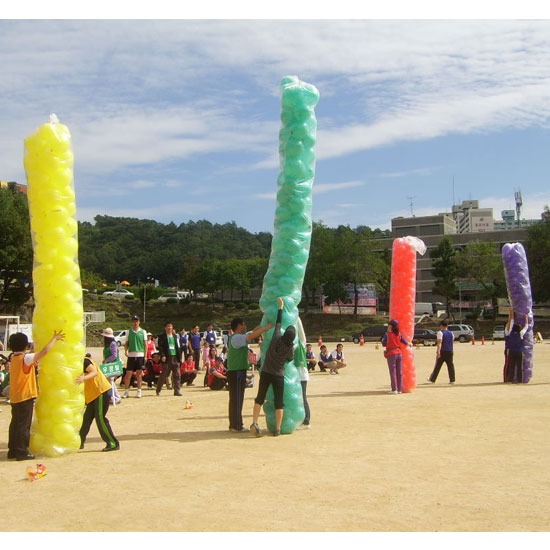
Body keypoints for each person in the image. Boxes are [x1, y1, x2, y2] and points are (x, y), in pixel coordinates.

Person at [7, 330, 65, 461]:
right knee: (23, 425)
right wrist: (54, 338)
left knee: (15, 424)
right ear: (25, 346)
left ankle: (13, 450)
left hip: (15, 397)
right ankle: (22, 451)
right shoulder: (26, 358)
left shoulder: (13, 358)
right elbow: (44, 352)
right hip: (25, 396)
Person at [250, 297, 294, 437]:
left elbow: (278, 322)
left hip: (266, 372)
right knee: (279, 402)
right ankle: (278, 429)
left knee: (260, 397)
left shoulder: (276, 338)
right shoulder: (289, 349)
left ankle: (254, 422)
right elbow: (290, 359)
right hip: (279, 375)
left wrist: (280, 307)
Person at [226, 313, 275, 433]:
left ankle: (234, 424)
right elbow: (252, 335)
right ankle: (237, 425)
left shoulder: (238, 336)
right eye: (243, 324)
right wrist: (266, 328)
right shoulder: (237, 337)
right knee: (237, 399)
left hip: (237, 371)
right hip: (236, 372)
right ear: (238, 326)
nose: (245, 326)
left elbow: (253, 331)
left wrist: (263, 324)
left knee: (236, 399)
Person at [76, 355, 119, 452]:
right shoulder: (76, 364)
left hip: (100, 391)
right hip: (92, 395)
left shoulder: (84, 361)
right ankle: (79, 442)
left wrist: (83, 378)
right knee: (86, 419)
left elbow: (94, 372)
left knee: (100, 417)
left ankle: (112, 443)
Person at [381, 320, 411, 394]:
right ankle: (399, 389)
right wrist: (409, 343)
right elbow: (405, 342)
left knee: (393, 372)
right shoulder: (399, 334)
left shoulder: (387, 334)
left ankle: (394, 389)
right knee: (399, 372)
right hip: (399, 353)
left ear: (390, 326)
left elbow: (383, 344)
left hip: (391, 353)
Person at [122, 315, 148, 399]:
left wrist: (145, 355)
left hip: (140, 354)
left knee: (139, 373)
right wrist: (126, 350)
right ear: (131, 322)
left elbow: (145, 344)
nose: (135, 323)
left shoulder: (143, 332)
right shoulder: (129, 332)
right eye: (134, 321)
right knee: (128, 373)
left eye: (137, 321)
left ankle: (139, 390)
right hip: (131, 355)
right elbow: (126, 343)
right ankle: (126, 391)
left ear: (139, 322)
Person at [156, 322, 182, 396]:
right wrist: (162, 355)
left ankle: (177, 390)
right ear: (165, 328)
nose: (169, 328)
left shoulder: (175, 336)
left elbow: (178, 347)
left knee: (177, 374)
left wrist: (179, 358)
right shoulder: (162, 336)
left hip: (175, 357)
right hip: (167, 357)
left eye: (171, 326)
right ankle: (158, 389)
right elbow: (160, 347)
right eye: (168, 326)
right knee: (164, 374)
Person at [503, 308, 529, 384]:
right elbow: (526, 327)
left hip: (511, 351)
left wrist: (511, 313)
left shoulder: (509, 333)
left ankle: (510, 380)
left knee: (511, 366)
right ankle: (519, 380)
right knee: (519, 366)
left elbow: (511, 322)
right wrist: (526, 318)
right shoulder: (520, 334)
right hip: (519, 352)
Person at [428, 320, 456, 384]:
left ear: (441, 326)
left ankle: (432, 379)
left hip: (443, 351)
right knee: (450, 366)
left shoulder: (440, 333)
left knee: (438, 366)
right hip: (450, 350)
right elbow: (451, 342)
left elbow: (439, 342)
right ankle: (452, 380)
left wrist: (438, 351)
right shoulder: (451, 333)